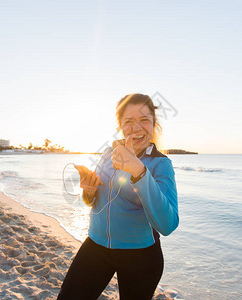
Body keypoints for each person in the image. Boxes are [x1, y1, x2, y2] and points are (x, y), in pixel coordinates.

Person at [58, 93, 179, 299]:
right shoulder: (108, 153)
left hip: (141, 256)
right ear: (120, 125)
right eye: (129, 121)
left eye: (144, 120)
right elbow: (93, 202)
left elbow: (168, 225)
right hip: (96, 247)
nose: (137, 128)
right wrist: (88, 190)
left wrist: (139, 172)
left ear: (153, 124)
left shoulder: (161, 164)